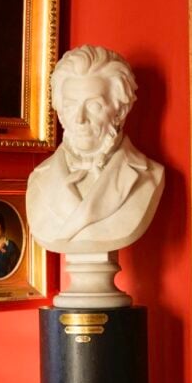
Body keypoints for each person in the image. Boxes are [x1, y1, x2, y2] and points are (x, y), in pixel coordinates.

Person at [26, 45, 165, 254]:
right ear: (61, 111)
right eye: (71, 106)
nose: (80, 119)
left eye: (94, 106)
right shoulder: (39, 180)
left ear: (120, 112)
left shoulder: (150, 175)